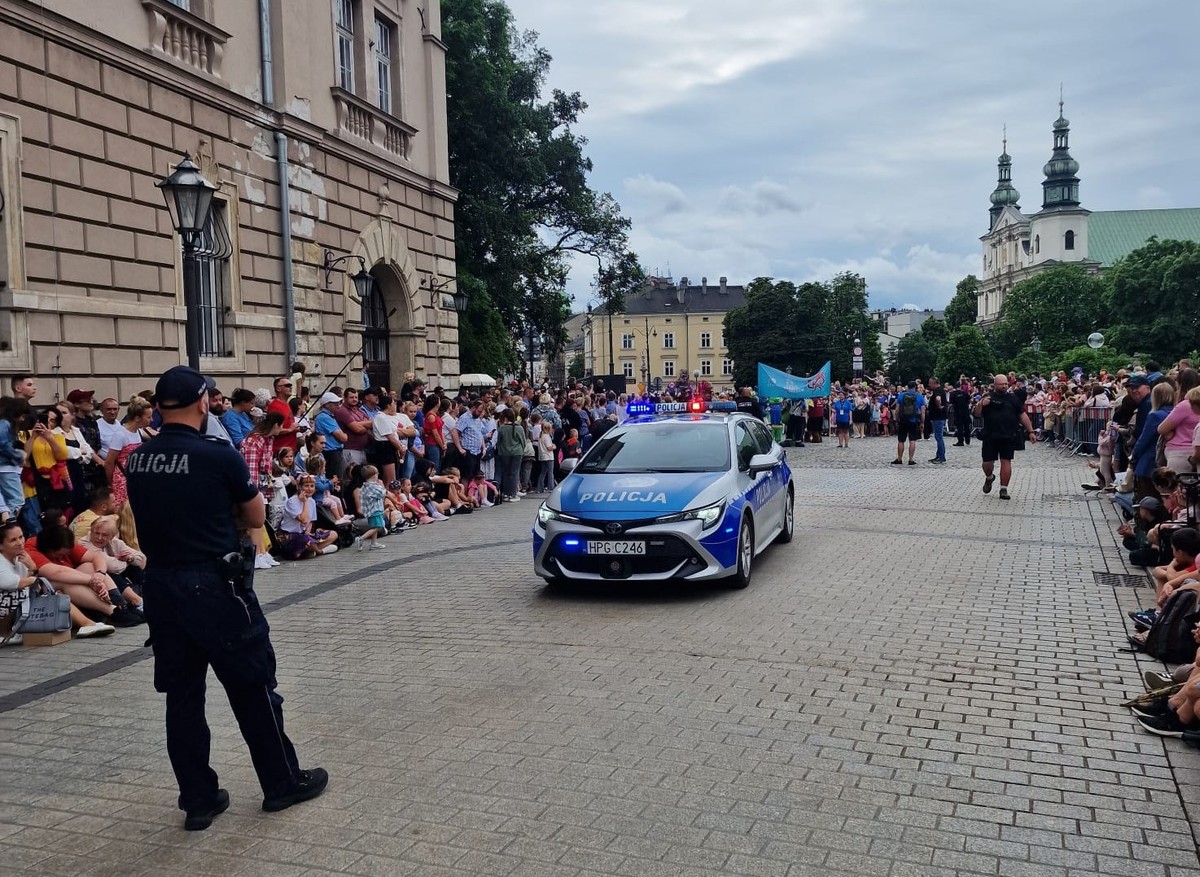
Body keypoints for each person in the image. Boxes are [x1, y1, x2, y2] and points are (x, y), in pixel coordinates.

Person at [125, 365, 327, 831]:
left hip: (162, 586)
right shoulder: (217, 455)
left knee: (182, 698)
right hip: (215, 586)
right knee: (253, 687)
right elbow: (255, 515)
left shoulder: (139, 458)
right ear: (202, 402)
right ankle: (281, 781)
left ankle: (198, 800)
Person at [973, 374, 1036, 500]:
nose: (1004, 386)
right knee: (987, 463)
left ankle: (1004, 489)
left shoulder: (1013, 399)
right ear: (995, 385)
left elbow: (1022, 415)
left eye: (1006, 384)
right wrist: (981, 404)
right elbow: (977, 414)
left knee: (1006, 461)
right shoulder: (988, 397)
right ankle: (989, 477)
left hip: (1008, 435)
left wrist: (1031, 431)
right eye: (1002, 384)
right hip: (990, 435)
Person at [891, 381, 926, 466]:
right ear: (915, 387)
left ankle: (899, 459)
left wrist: (896, 420)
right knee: (912, 440)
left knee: (901, 440)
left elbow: (897, 409)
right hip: (914, 420)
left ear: (908, 387)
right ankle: (911, 459)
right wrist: (922, 422)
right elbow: (923, 411)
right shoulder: (919, 396)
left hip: (903, 420)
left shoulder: (901, 395)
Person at [354, 465, 388, 551]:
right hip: (375, 510)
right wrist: (381, 486)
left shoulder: (365, 486)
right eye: (377, 474)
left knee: (374, 527)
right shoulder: (372, 486)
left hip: (372, 510)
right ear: (373, 476)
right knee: (377, 527)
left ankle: (373, 543)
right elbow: (382, 493)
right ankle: (361, 538)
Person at [926, 377, 948, 464]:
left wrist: (939, 406)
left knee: (939, 437)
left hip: (938, 417)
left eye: (930, 383)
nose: (929, 384)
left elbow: (938, 399)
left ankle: (941, 457)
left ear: (934, 383)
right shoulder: (940, 390)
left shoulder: (937, 391)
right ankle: (939, 455)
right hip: (938, 416)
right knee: (938, 436)